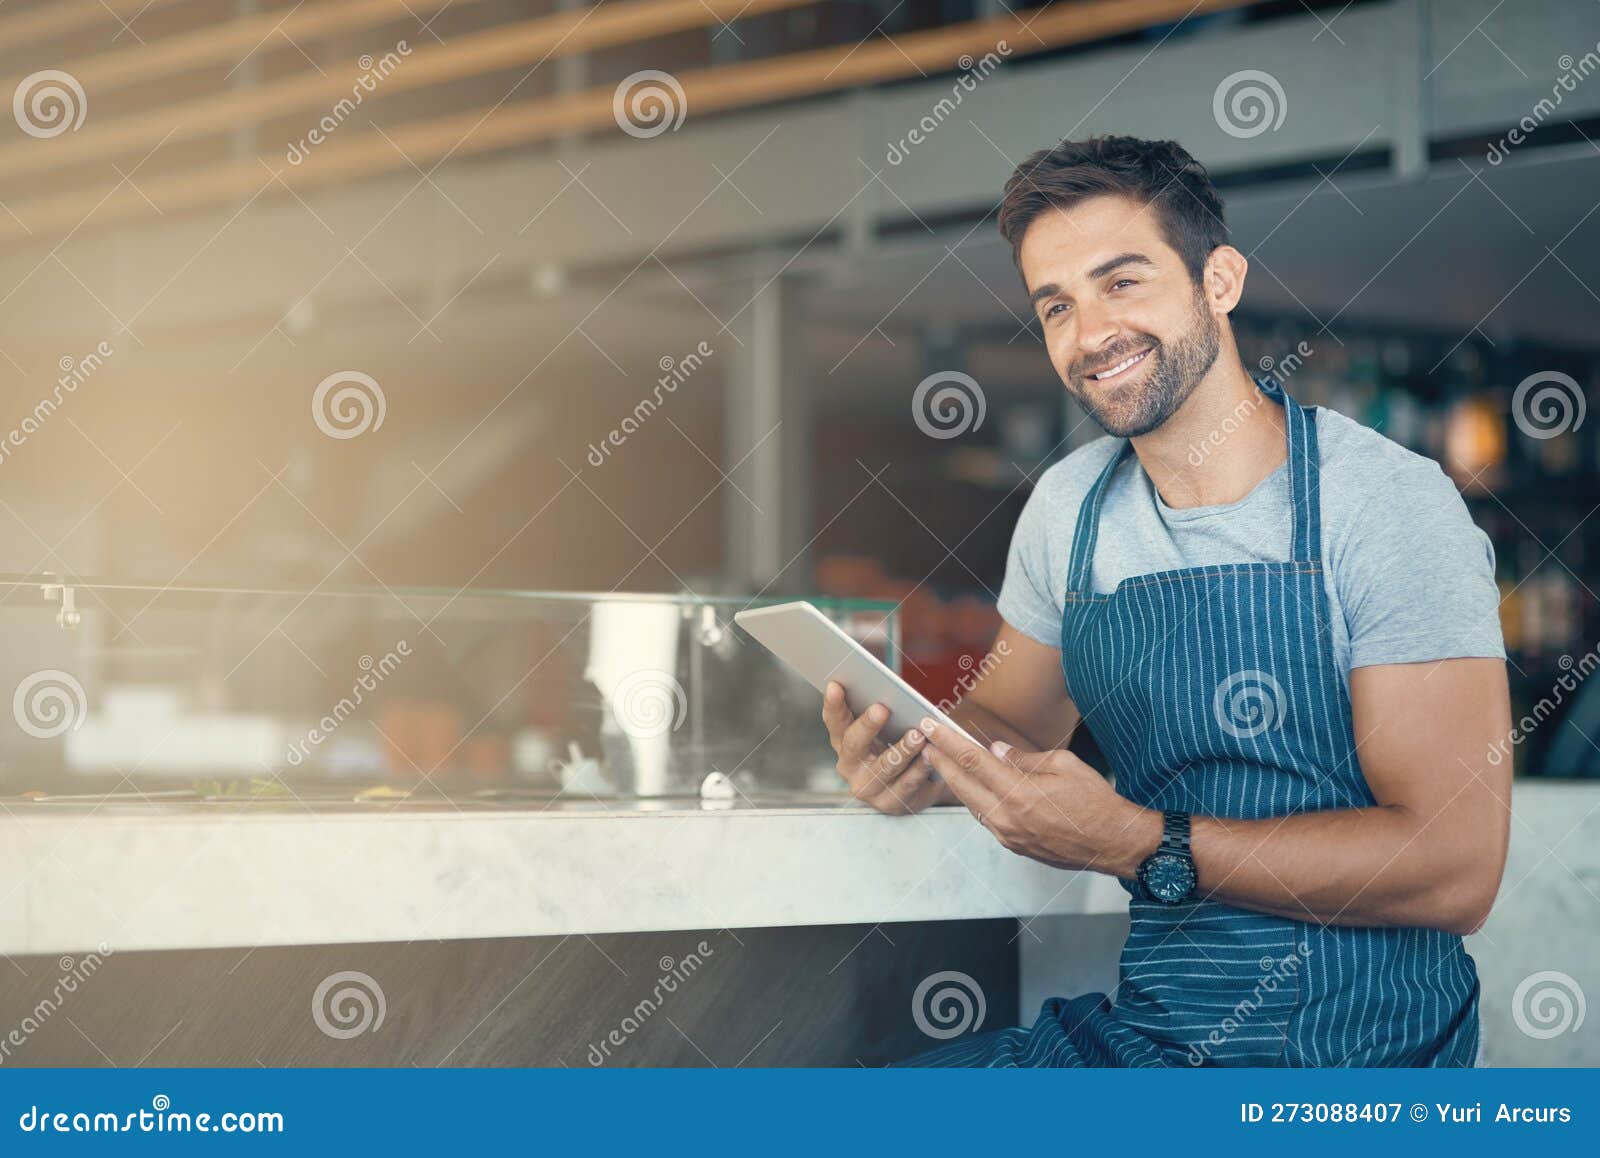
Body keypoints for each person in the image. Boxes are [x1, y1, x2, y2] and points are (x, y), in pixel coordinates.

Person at [821, 135, 1511, 1067]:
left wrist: (1144, 843)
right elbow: (1007, 721)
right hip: (1153, 1038)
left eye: (1123, 282)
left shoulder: (1383, 503)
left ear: (1218, 280)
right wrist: (920, 752)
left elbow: (1454, 867)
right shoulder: (1071, 506)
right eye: (1055, 304)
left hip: (1360, 1062)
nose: (1088, 334)